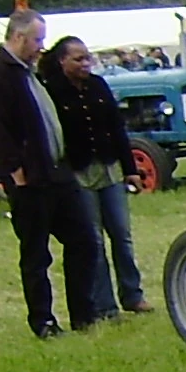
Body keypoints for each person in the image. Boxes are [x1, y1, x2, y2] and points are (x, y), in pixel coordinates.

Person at [0, 7, 105, 337]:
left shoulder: (28, 71)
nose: (41, 47)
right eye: (37, 40)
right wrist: (15, 170)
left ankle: (84, 314)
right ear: (18, 37)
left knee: (85, 241)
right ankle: (43, 321)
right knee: (36, 253)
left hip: (56, 171)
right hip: (29, 178)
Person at [39, 36, 149, 317]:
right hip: (79, 171)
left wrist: (131, 170)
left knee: (122, 236)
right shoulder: (51, 91)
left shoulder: (98, 85)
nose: (85, 63)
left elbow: (117, 128)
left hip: (109, 166)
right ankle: (105, 305)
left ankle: (133, 295)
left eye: (87, 58)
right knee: (94, 240)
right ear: (62, 60)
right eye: (78, 59)